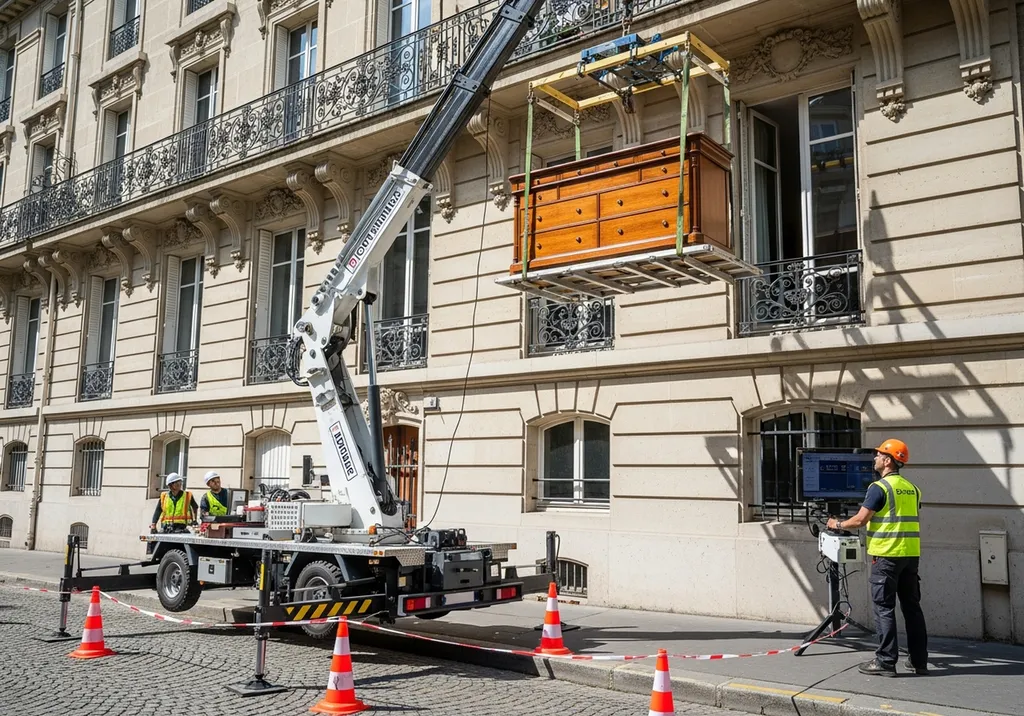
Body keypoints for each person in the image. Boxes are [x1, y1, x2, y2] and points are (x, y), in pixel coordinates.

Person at [827, 438, 928, 677]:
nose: (875, 458)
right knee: (912, 608)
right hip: (910, 555)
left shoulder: (879, 488)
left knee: (884, 608)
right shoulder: (913, 488)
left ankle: (885, 661)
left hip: (886, 556)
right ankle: (919, 661)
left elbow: (860, 520)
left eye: (879, 454)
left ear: (888, 461)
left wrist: (836, 524)